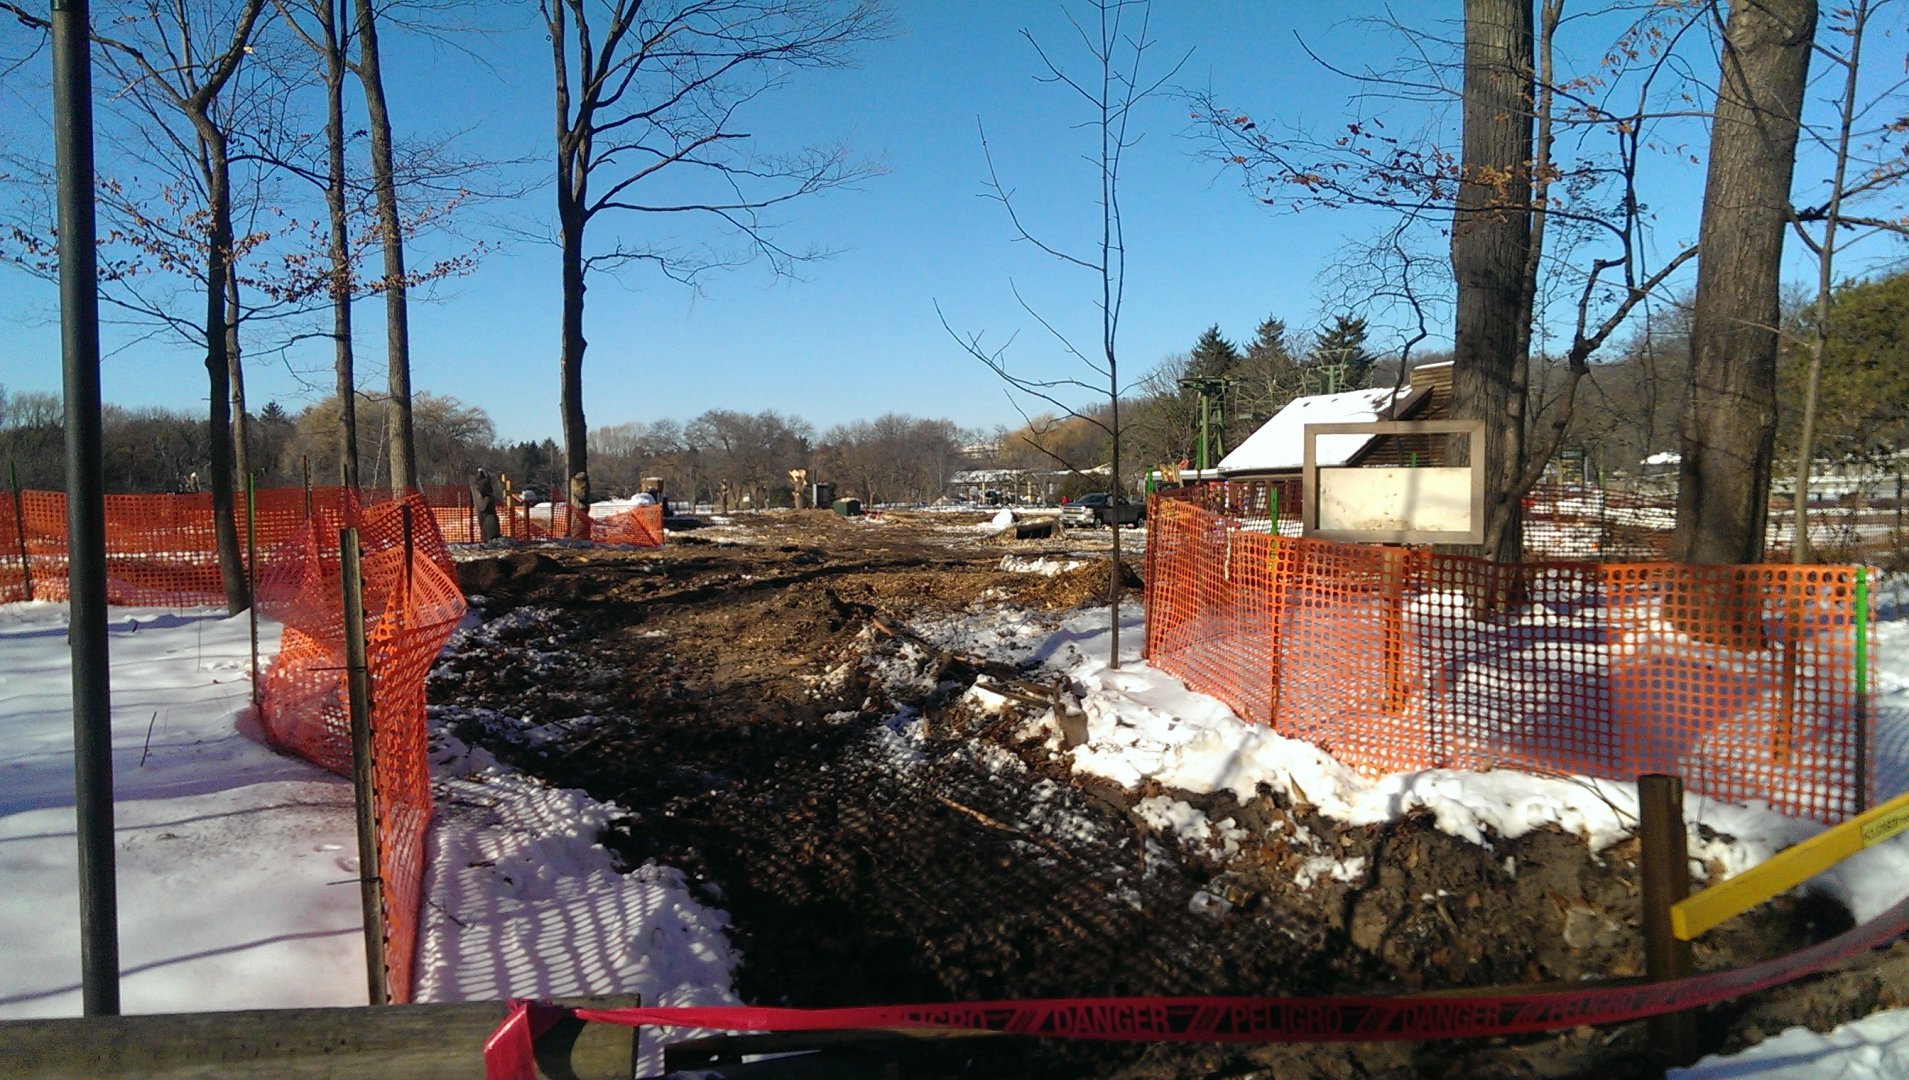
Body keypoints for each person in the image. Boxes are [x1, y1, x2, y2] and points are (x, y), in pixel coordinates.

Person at [471, 468, 500, 542]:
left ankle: (491, 537)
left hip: (485, 509)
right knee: (489, 524)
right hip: (485, 509)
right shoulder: (480, 486)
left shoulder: (477, 484)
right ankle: (491, 537)